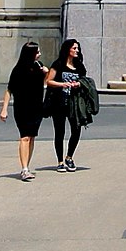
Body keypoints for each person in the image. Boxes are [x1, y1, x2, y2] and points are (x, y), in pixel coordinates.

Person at [0, 40, 47, 181]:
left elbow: (43, 84)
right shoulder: (18, 70)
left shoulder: (39, 66)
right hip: (22, 107)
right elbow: (9, 90)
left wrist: (46, 73)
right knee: (24, 136)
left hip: (37, 106)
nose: (39, 54)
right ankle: (24, 169)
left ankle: (27, 166)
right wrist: (4, 109)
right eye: (37, 52)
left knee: (32, 137)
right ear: (30, 53)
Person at [43, 37, 88, 171]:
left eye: (77, 48)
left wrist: (78, 84)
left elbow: (84, 81)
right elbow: (48, 81)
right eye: (74, 48)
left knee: (76, 129)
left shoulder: (79, 66)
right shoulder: (58, 64)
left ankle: (69, 157)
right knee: (60, 132)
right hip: (59, 102)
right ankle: (60, 161)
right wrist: (62, 84)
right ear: (67, 49)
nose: (77, 51)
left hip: (74, 103)